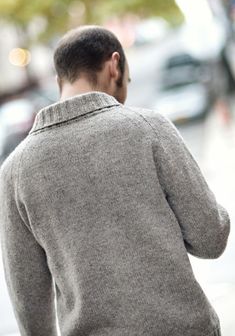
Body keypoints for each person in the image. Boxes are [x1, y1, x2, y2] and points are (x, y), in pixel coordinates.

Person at [0, 25, 230, 336]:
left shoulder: (14, 171)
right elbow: (210, 238)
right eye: (128, 81)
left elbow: (29, 307)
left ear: (59, 80)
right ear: (114, 65)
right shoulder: (150, 128)